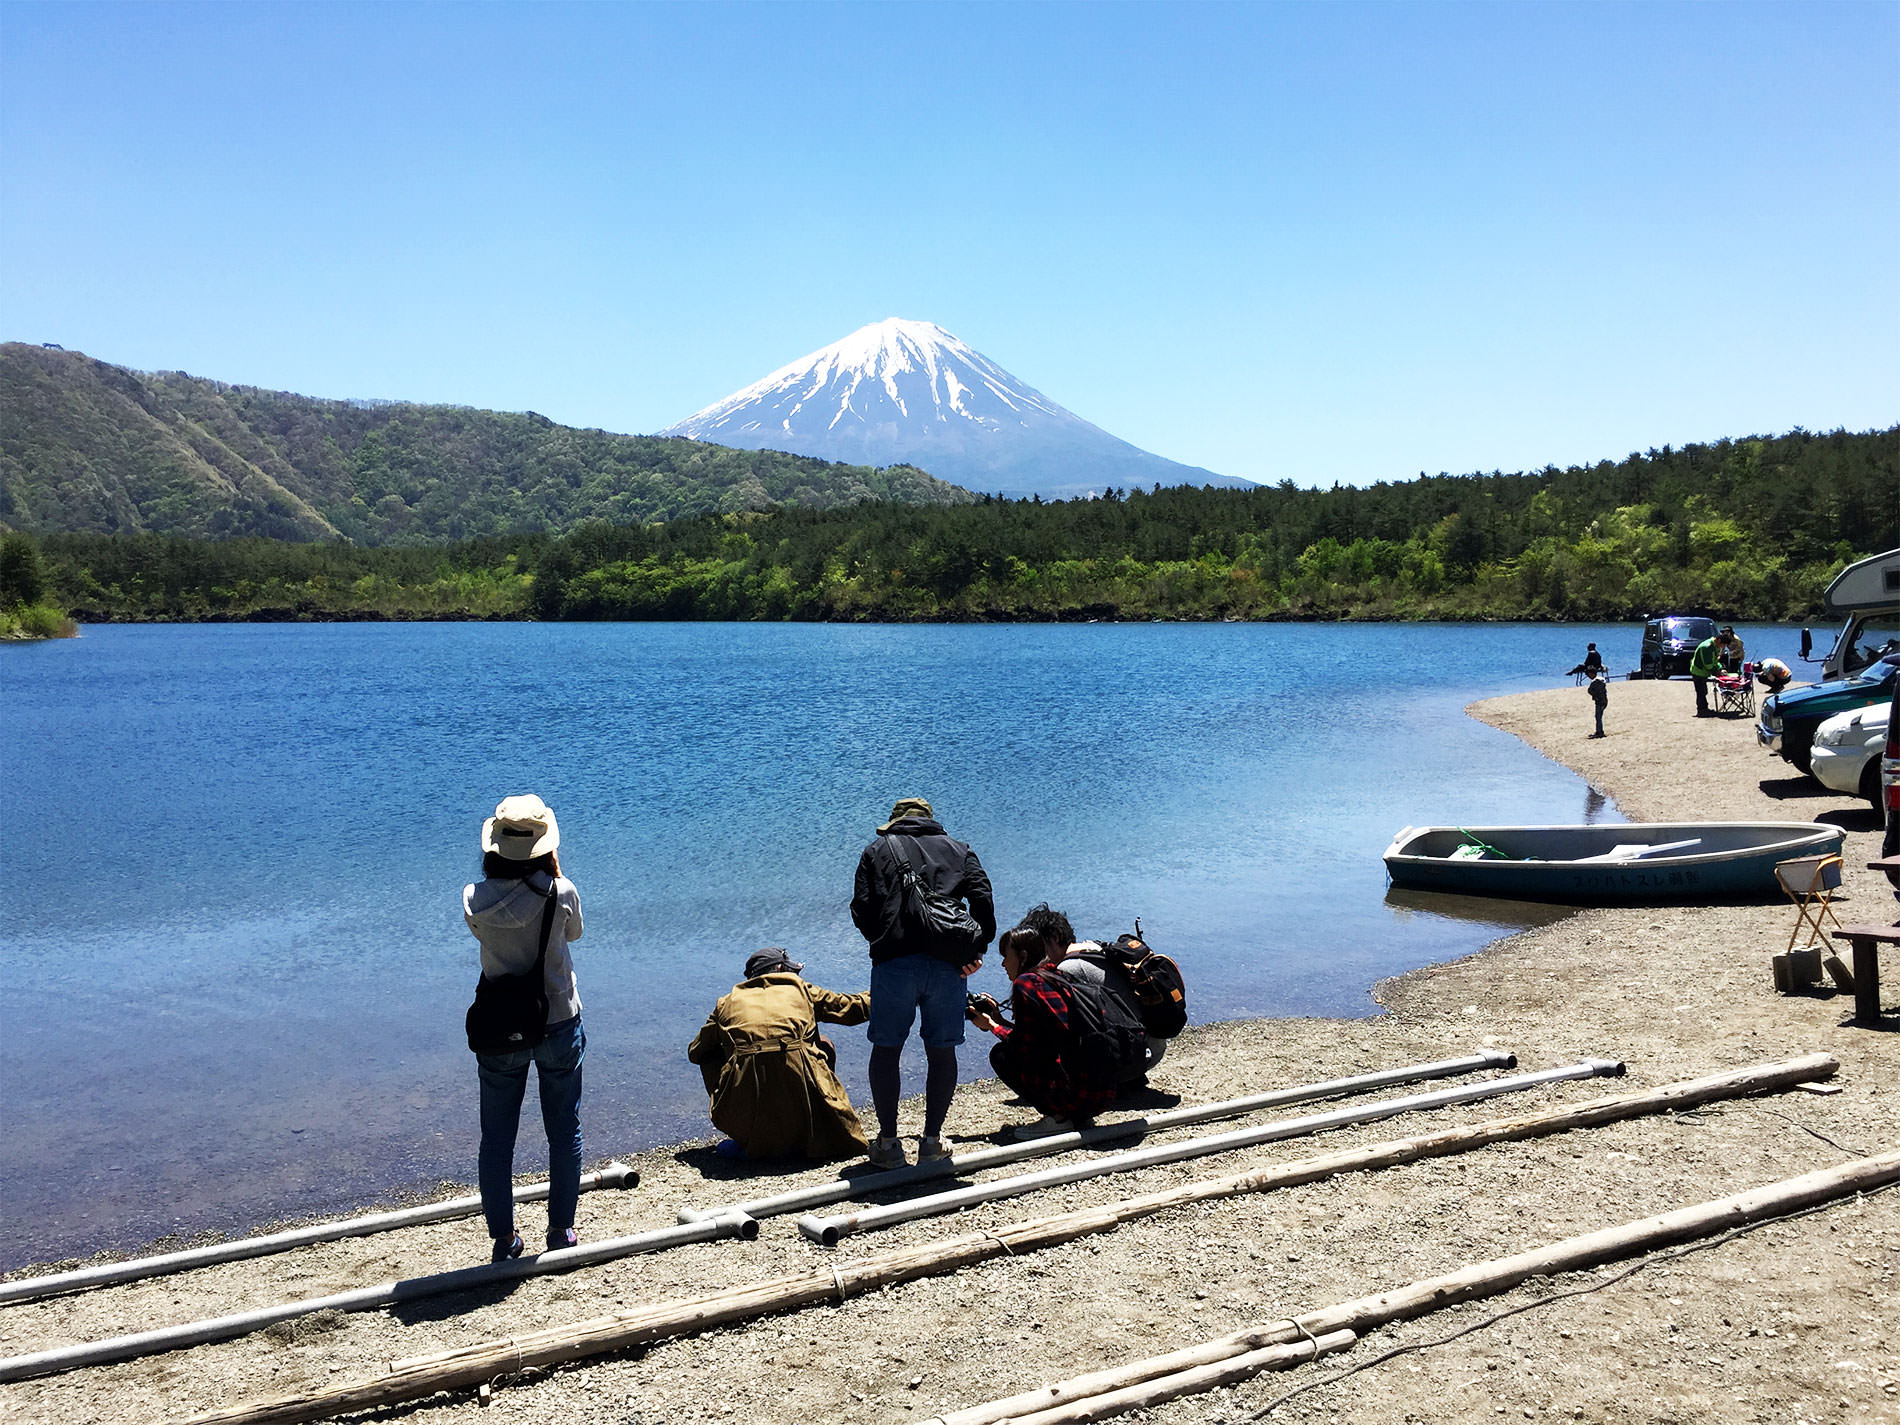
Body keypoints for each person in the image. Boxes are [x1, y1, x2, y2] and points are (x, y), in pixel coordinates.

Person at [463, 793, 586, 1262]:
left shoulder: (474, 899)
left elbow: (483, 934)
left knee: (497, 1138)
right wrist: (552, 879)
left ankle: (504, 1239)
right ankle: (561, 1231)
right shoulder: (563, 891)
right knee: (564, 1130)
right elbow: (574, 934)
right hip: (558, 1018)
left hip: (498, 1026)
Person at [851, 797, 995, 1168]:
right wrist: (974, 950)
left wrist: (883, 942)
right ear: (930, 821)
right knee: (942, 1051)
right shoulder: (959, 850)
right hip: (948, 968)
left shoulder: (876, 851)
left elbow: (861, 909)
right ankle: (931, 1142)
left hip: (894, 964)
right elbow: (983, 900)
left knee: (886, 1049)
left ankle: (887, 1143)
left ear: (895, 822)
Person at [687, 949, 871, 1161]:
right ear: (781, 969)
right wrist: (889, 984)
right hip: (802, 1091)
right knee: (824, 1045)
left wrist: (733, 1046)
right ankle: (815, 1124)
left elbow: (696, 1051)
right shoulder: (801, 990)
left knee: (710, 1055)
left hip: (746, 1104)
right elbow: (853, 1009)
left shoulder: (727, 1002)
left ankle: (747, 1135)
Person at [968, 923, 1132, 1137]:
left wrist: (992, 1026)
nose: (1003, 963)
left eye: (1006, 956)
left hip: (1075, 1095)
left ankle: (1058, 1118)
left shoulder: (1025, 984)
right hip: (1101, 1093)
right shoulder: (1058, 975)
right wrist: (1000, 1020)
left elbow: (1026, 1046)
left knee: (1001, 1055)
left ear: (1023, 955)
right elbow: (1047, 1035)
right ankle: (1076, 1117)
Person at [1019, 903, 1164, 1082]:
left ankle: (1111, 1082)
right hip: (1151, 1046)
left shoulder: (1068, 969)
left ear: (1054, 937)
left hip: (1136, 1055)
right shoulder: (1093, 948)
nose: (1035, 953)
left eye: (1036, 945)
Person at [1688, 631, 1729, 716]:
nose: (1723, 647)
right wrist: (1717, 672)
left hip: (1704, 672)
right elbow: (1708, 664)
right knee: (1701, 691)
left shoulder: (1715, 646)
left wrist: (1720, 668)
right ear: (1718, 640)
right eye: (1723, 645)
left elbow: (1715, 661)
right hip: (1698, 671)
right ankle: (1701, 710)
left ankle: (1704, 708)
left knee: (1704, 691)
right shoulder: (1707, 647)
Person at [1587, 668, 1608, 738]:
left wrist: (1594, 694)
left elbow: (1589, 690)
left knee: (1598, 717)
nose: (1588, 677)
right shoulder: (1601, 679)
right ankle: (1599, 731)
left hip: (1600, 701)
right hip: (1603, 700)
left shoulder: (1596, 681)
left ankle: (1599, 732)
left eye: (1589, 675)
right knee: (1598, 716)